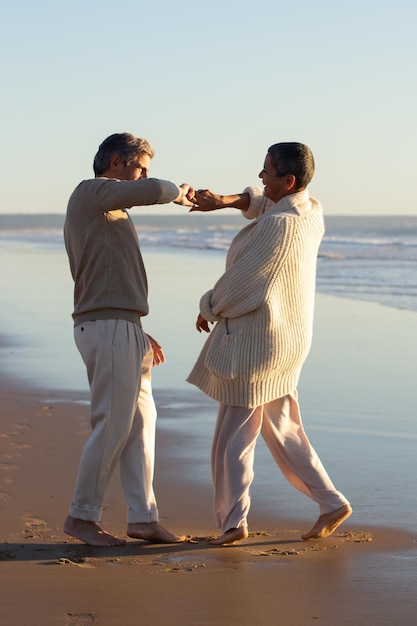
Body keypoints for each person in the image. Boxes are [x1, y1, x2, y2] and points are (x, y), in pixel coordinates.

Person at [187, 142, 352, 545]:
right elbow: (264, 204)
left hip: (259, 343)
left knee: (232, 436)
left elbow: (246, 283)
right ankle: (331, 503)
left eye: (266, 171)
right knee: (282, 426)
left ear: (288, 180)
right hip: (287, 338)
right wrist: (225, 201)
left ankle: (232, 523)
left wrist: (208, 307)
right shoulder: (310, 210)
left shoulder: (281, 227)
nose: (260, 177)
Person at [63, 132, 194, 546]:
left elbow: (113, 274)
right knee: (113, 424)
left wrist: (136, 327)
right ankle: (81, 517)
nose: (143, 177)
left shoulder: (110, 208)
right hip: (106, 326)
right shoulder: (91, 192)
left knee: (140, 425)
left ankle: (142, 517)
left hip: (123, 325)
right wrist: (177, 192)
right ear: (116, 162)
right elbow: (154, 190)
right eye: (140, 167)